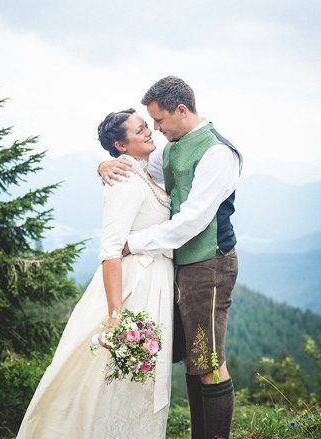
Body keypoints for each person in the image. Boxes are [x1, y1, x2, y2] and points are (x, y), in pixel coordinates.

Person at [98, 76, 242, 439]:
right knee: (194, 361)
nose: (156, 130)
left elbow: (190, 222)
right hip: (182, 267)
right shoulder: (172, 147)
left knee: (208, 360)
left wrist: (134, 243)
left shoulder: (217, 153)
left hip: (209, 264)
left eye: (159, 121)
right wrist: (104, 165)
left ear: (181, 110)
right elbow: (139, 172)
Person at [17, 108, 174, 438]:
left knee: (139, 381)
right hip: (134, 288)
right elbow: (110, 250)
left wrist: (100, 165)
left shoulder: (144, 172)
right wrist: (117, 314)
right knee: (113, 378)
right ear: (121, 145)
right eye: (140, 129)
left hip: (154, 282)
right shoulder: (125, 180)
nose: (148, 132)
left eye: (147, 126)